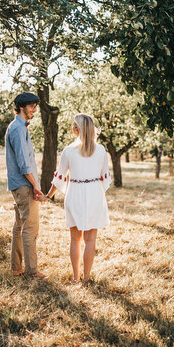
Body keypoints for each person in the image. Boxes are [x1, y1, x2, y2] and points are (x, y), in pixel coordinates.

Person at [46, 113, 111, 283]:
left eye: (73, 126)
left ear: (77, 129)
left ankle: (76, 277)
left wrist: (48, 196)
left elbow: (59, 178)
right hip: (95, 192)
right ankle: (86, 277)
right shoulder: (101, 150)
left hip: (75, 192)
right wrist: (97, 196)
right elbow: (105, 179)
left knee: (75, 239)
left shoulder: (68, 151)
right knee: (91, 239)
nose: (72, 128)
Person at [5, 92, 48, 279]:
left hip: (19, 184)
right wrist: (36, 186)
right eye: (31, 106)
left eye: (35, 106)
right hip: (24, 185)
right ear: (21, 107)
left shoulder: (18, 127)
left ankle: (17, 268)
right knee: (30, 228)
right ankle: (32, 271)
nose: (34, 110)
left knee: (19, 226)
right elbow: (24, 164)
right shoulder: (18, 129)